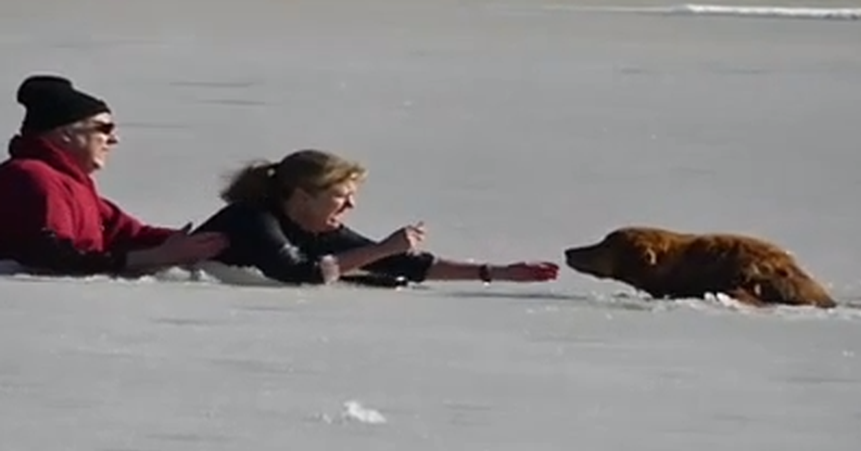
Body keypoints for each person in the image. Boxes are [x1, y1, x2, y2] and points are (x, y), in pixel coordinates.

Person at [192, 148, 560, 287]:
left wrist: (498, 272)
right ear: (303, 196)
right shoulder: (252, 219)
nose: (350, 206)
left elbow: (402, 262)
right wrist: (380, 249)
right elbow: (297, 273)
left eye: (354, 197)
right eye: (341, 196)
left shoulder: (316, 225)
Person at [0, 74, 227, 276]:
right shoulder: (32, 177)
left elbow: (131, 236)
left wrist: (202, 244)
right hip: (55, 311)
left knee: (243, 223)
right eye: (104, 129)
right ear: (66, 134)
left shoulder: (70, 183)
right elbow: (48, 258)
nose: (113, 139)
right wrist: (157, 257)